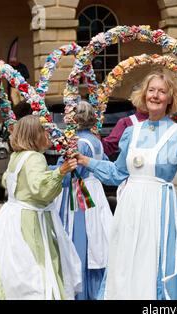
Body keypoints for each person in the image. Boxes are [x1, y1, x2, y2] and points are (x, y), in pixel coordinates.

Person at [75, 69, 177, 300]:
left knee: (158, 261)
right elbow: (117, 174)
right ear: (144, 95)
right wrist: (88, 161)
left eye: (162, 91)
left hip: (159, 207)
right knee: (125, 260)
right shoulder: (130, 132)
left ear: (170, 98)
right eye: (151, 90)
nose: (155, 95)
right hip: (129, 207)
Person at [0, 115, 82, 300]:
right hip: (31, 220)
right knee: (38, 264)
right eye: (45, 131)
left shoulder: (16, 156)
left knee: (13, 266)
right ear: (36, 134)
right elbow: (40, 189)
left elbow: (7, 179)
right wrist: (60, 173)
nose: (49, 135)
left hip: (13, 218)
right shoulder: (36, 158)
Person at [55, 101, 113, 300]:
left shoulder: (78, 143)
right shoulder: (95, 140)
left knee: (80, 239)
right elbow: (104, 163)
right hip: (95, 190)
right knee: (96, 238)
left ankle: (80, 291)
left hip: (81, 194)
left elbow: (72, 171)